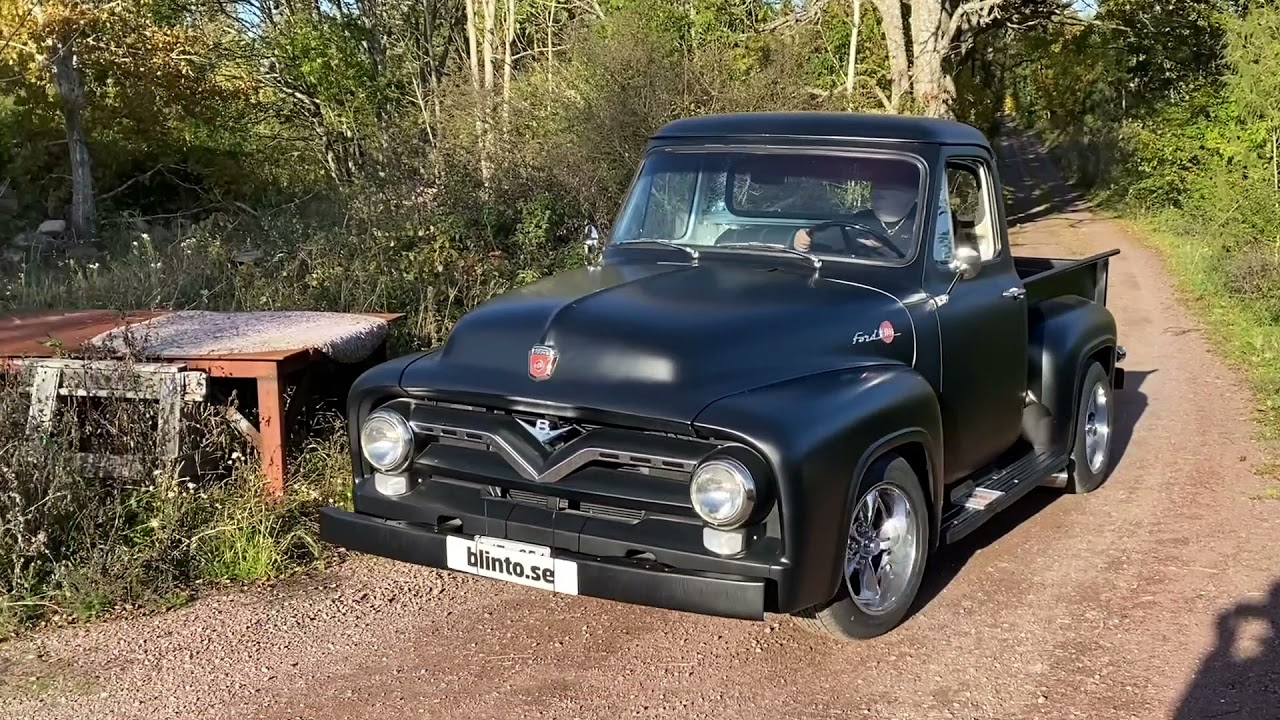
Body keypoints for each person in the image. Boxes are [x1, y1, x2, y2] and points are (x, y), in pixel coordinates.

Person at [792, 161, 920, 256]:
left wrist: (883, 249)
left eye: (889, 189)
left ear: (913, 195)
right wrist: (805, 237)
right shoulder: (862, 219)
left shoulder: (926, 222)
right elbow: (831, 238)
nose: (877, 195)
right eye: (875, 188)